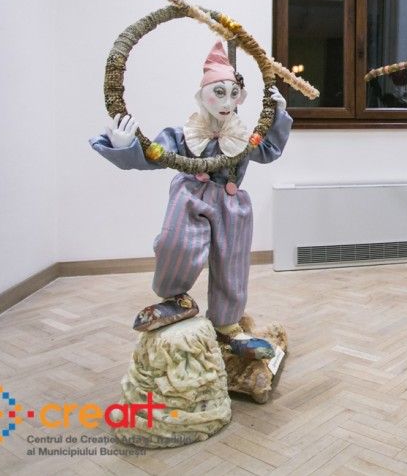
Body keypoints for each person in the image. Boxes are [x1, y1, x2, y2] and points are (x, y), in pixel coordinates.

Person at [90, 41, 292, 359]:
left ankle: (227, 325)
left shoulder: (242, 136)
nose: (226, 102)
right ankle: (175, 299)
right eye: (218, 93)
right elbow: (153, 156)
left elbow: (268, 151)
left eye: (233, 94)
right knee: (176, 243)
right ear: (202, 95)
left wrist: (279, 116)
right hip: (191, 195)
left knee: (232, 262)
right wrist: (124, 146)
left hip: (231, 202)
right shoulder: (183, 134)